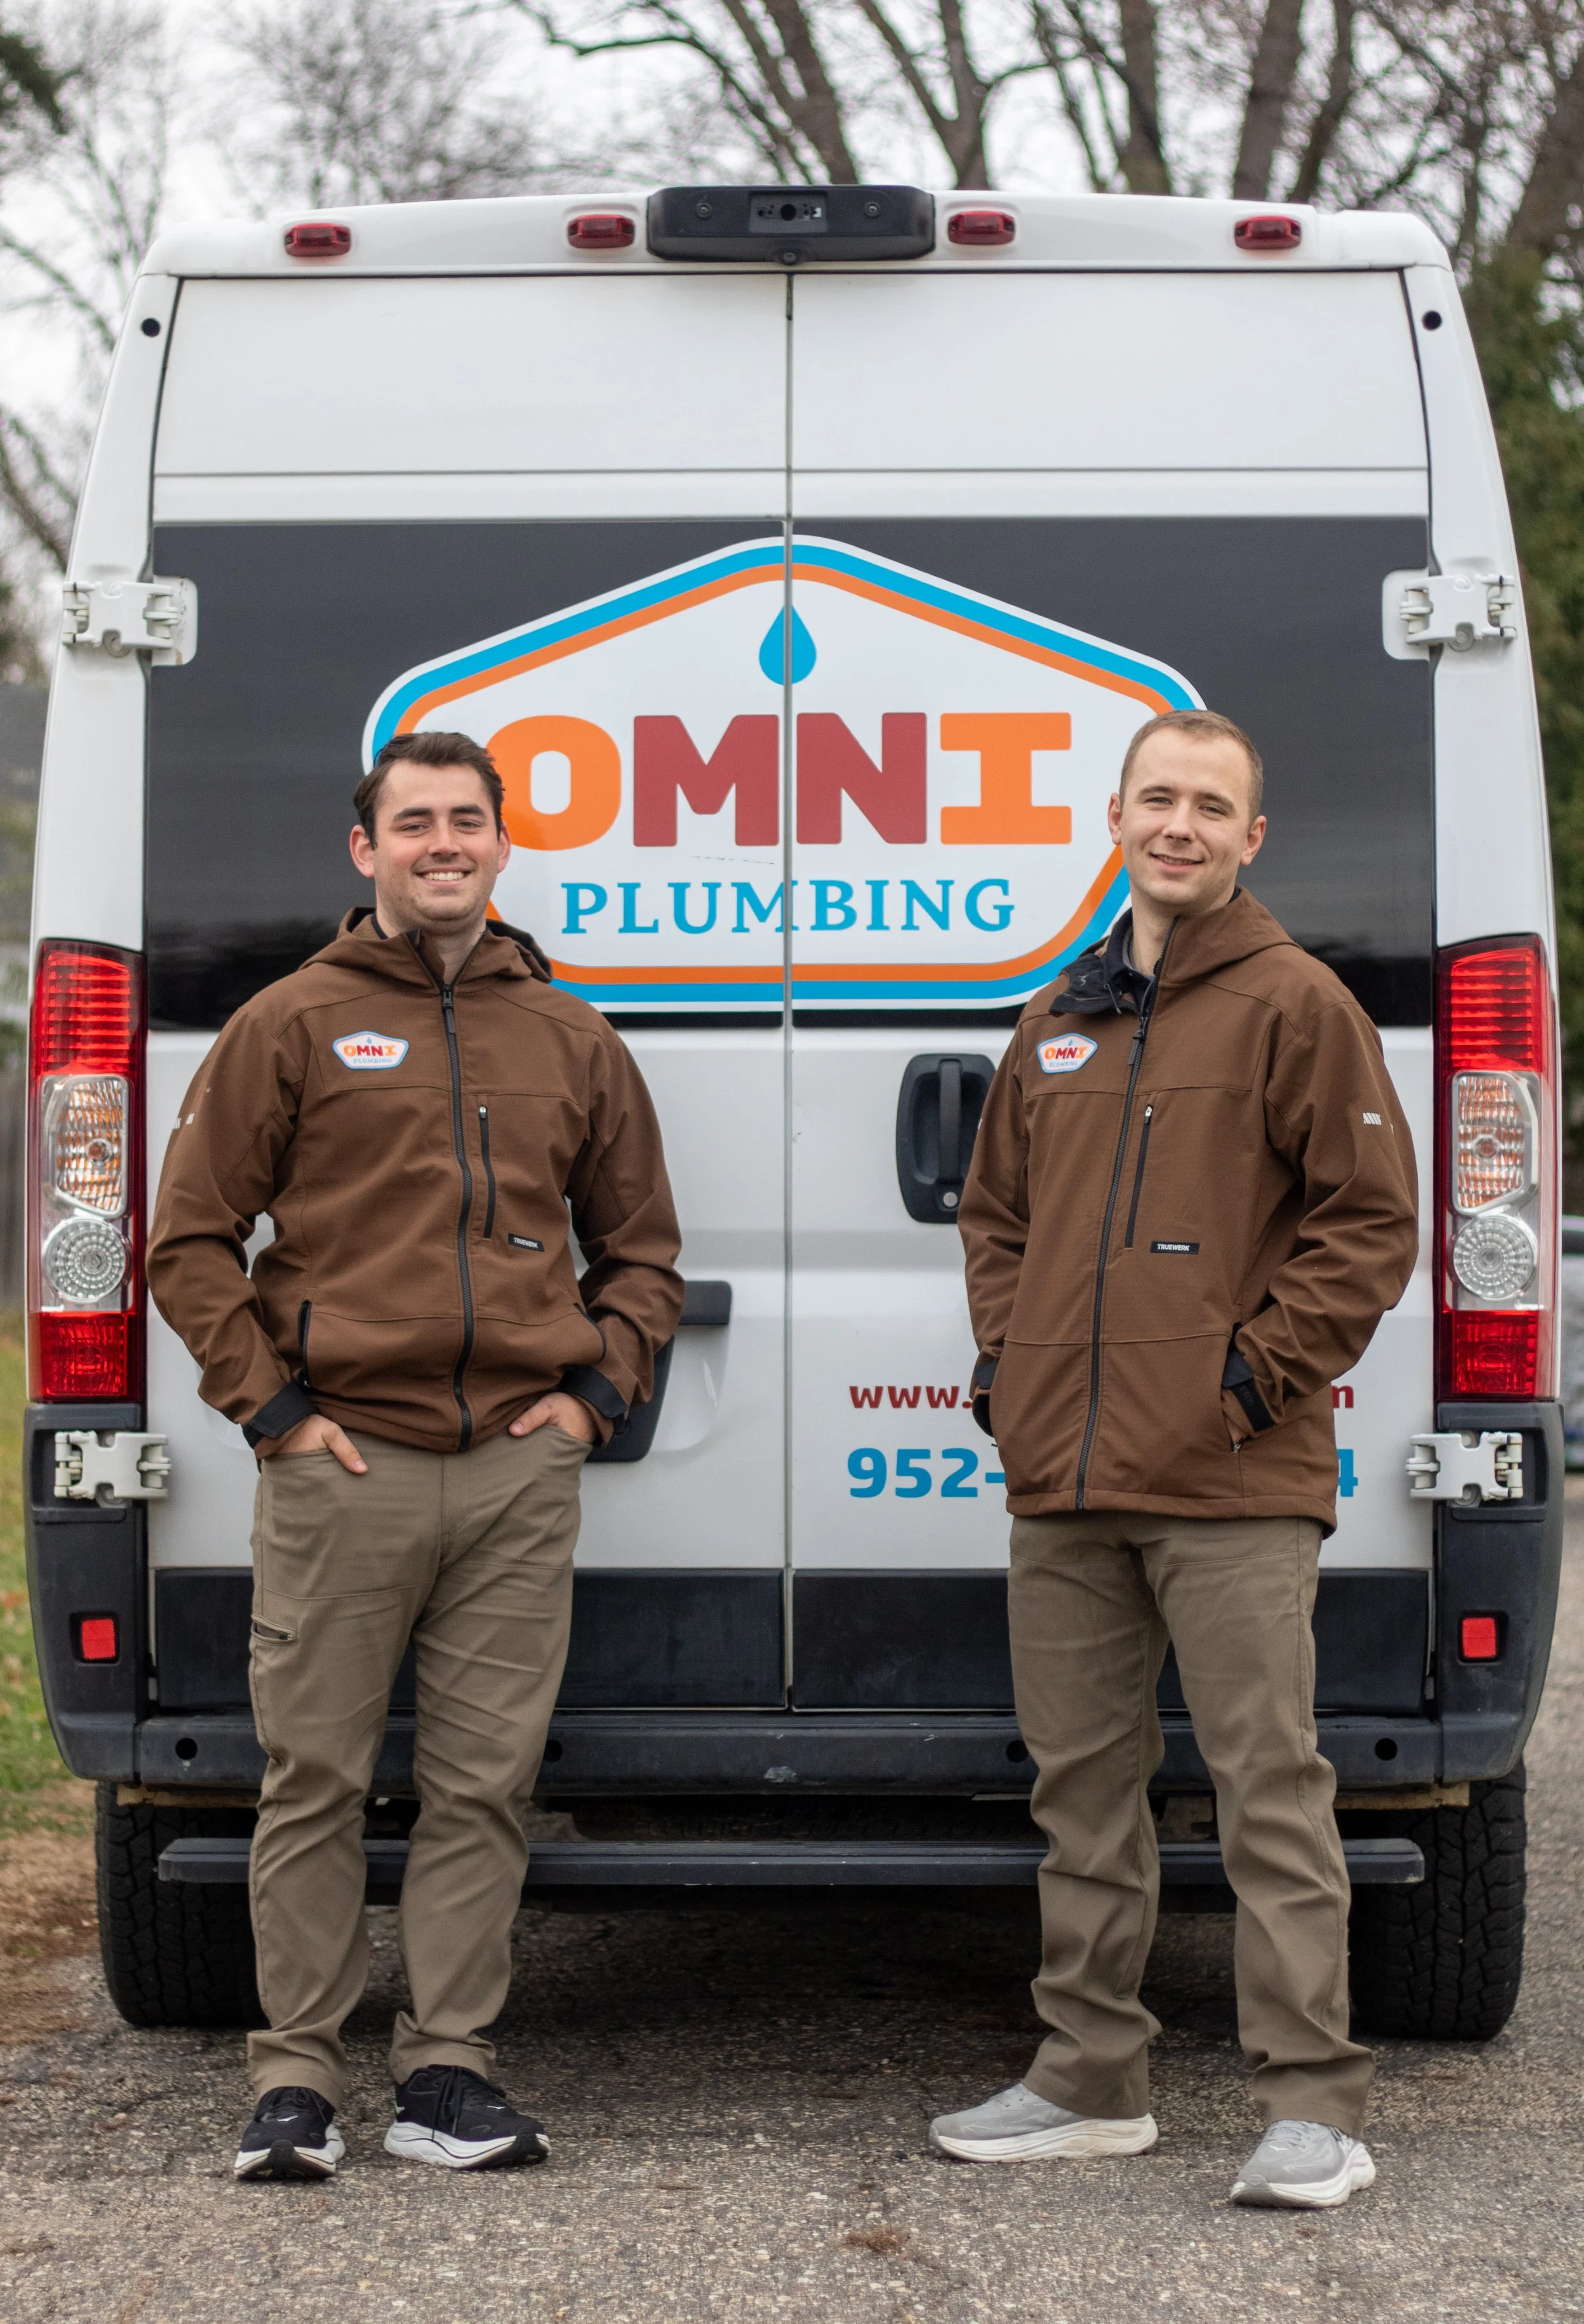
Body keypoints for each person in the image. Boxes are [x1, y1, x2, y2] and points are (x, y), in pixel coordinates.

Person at [148, 729, 682, 2182]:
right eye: (413, 822)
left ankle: (448, 2071)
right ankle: (295, 2083)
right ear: (365, 848)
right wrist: (275, 1414)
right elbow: (188, 1239)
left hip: (514, 1470)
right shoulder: (290, 1021)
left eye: (465, 820)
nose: (441, 842)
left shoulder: (568, 1037)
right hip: (346, 1465)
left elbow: (642, 1252)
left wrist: (591, 1398)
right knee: (314, 1779)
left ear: (501, 844)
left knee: (481, 1786)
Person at [933, 709, 1418, 2209]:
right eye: (1157, 798)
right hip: (1065, 1480)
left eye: (1211, 806)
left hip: (1228, 1476)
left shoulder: (1296, 1002)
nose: (1179, 826)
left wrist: (1247, 1376)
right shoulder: (1055, 1018)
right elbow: (995, 1217)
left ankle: (1311, 2107)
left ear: (1248, 838)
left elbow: (1366, 1224)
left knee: (1266, 1788)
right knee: (1080, 1792)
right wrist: (1012, 1366)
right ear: (1115, 816)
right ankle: (1089, 2081)